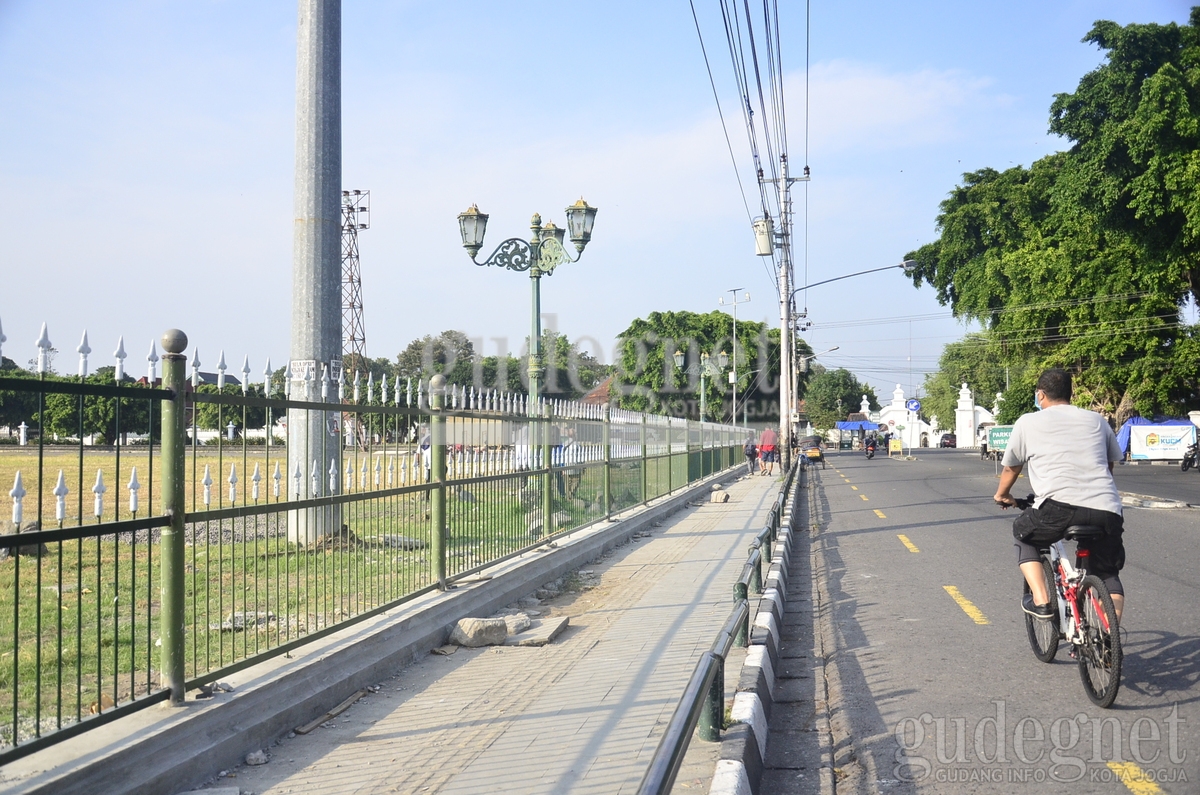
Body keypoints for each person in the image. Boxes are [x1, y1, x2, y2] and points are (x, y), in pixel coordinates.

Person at [993, 368, 1126, 621]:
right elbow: (1109, 466)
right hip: (1107, 508)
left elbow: (1012, 466)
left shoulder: (1028, 422)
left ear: (1040, 395)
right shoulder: (1096, 420)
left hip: (1057, 508)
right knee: (1108, 573)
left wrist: (1003, 495)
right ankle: (1110, 637)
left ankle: (1042, 601)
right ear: (1070, 393)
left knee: (1024, 534)